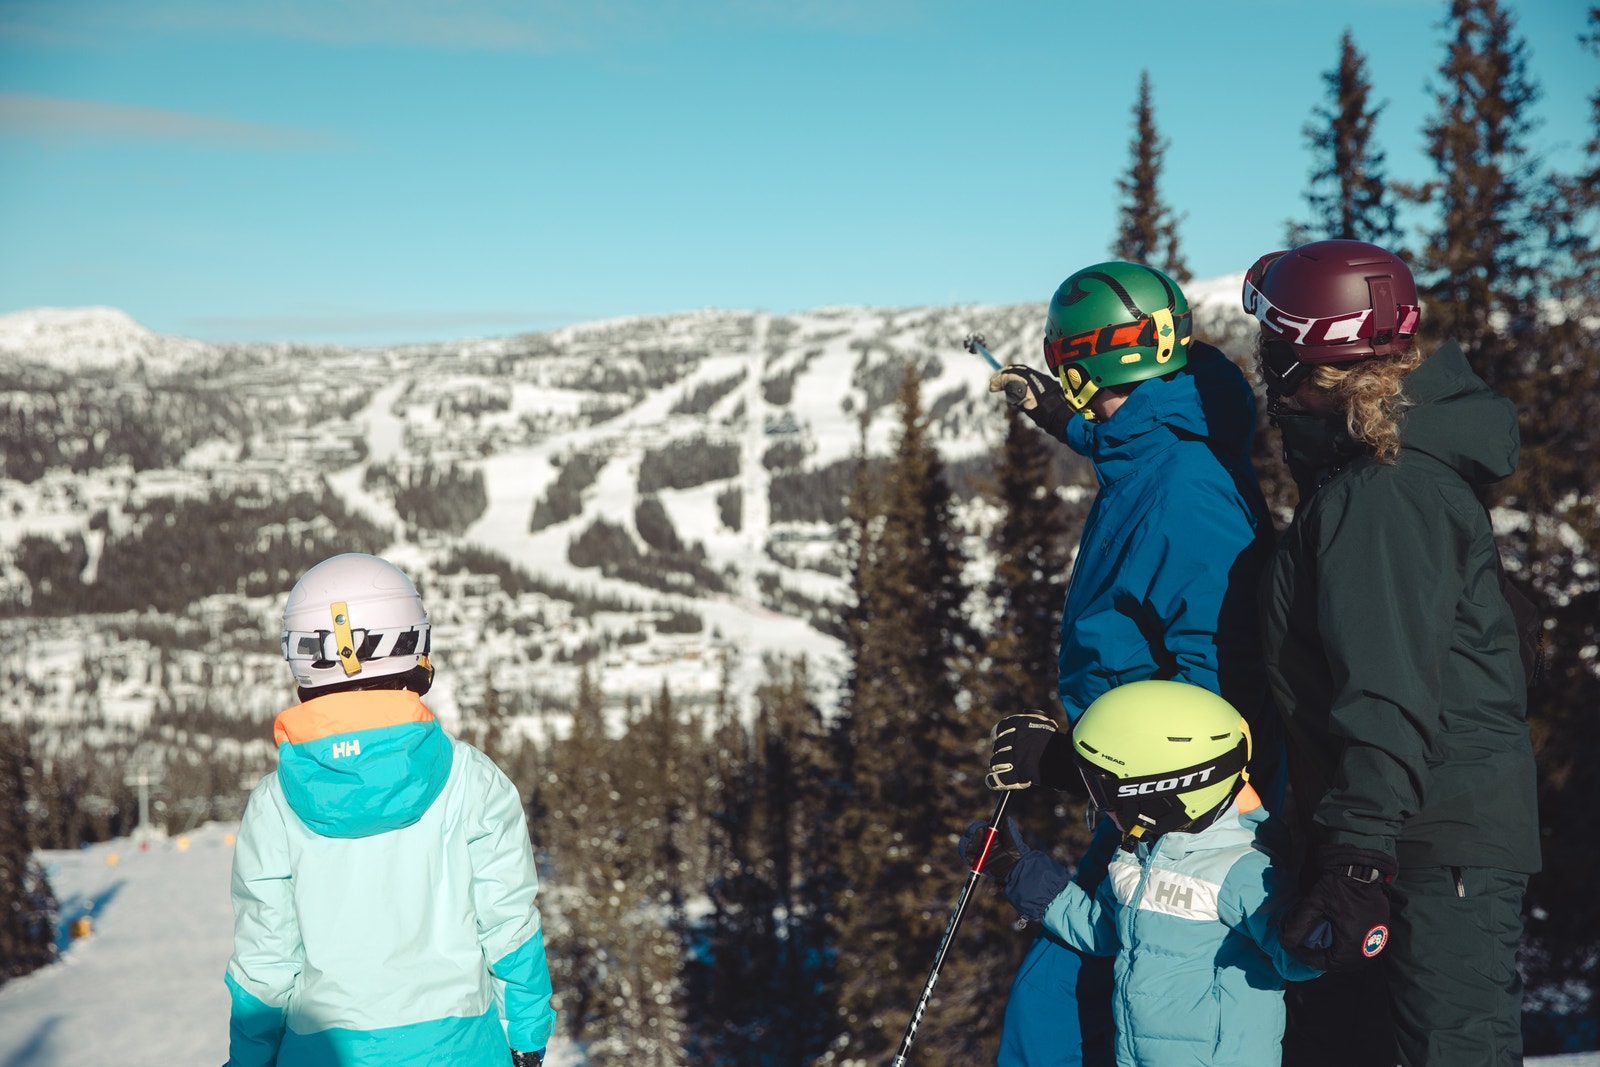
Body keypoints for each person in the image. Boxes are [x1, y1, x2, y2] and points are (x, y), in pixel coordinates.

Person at [1242, 239, 1540, 1067]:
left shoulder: (1384, 493)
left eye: (1270, 339)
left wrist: (1359, 858)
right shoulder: (1374, 470)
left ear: (1299, 352)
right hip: (1412, 832)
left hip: (1426, 843)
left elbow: (1386, 688)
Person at [983, 261, 1280, 1067]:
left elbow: (1221, 697)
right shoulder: (1167, 443)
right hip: (1141, 808)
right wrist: (1058, 416)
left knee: (1053, 1013)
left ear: (1084, 366)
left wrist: (1075, 767)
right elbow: (1128, 437)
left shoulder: (1186, 492)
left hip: (1178, 824)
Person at [223, 553, 555, 1067]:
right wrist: (527, 1037)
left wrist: (250, 1061)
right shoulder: (473, 781)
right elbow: (509, 926)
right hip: (462, 1051)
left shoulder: (274, 804)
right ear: (414, 648)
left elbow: (265, 962)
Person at [963, 681, 1319, 1067]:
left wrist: (1326, 927)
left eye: (1104, 793)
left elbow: (1300, 959)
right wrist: (1017, 870)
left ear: (1162, 794)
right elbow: (1103, 930)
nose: (1099, 807)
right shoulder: (1140, 852)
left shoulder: (1245, 870)